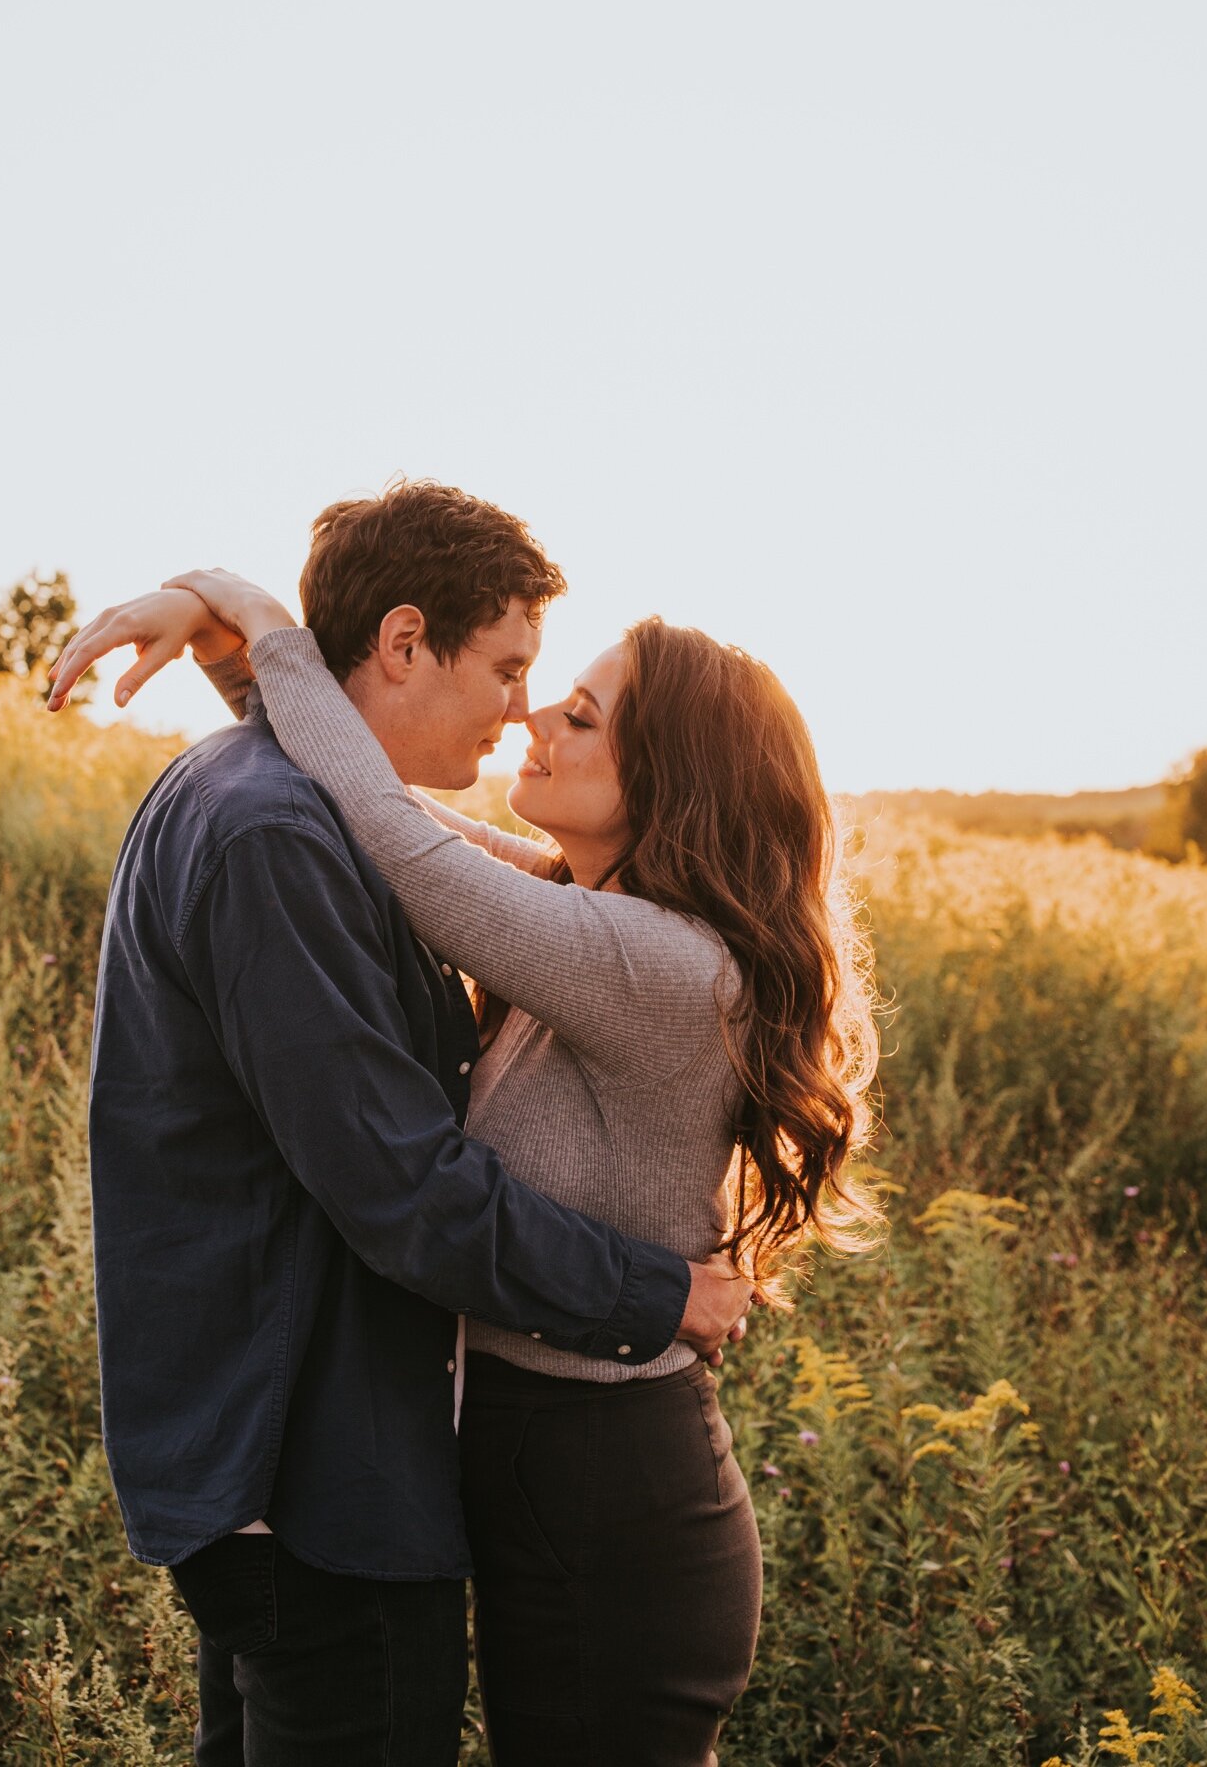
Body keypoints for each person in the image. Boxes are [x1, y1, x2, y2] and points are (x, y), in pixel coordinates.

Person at [47, 483, 750, 1767]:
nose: (519, 710)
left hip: (321, 1453)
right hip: (312, 1473)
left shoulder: (292, 809)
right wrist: (656, 1290)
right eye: (509, 668)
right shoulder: (276, 833)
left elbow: (394, 819)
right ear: (405, 641)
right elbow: (401, 1187)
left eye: (556, 696)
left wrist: (244, 638)